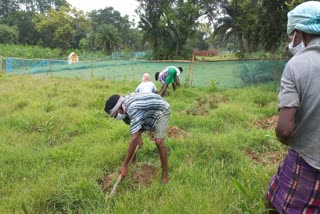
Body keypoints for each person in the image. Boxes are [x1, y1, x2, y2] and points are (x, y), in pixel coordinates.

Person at [265, 1, 320, 213]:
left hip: (310, 159)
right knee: (272, 194)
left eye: (290, 37)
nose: (290, 42)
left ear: (299, 33)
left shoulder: (297, 65)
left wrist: (283, 138)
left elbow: (285, 129)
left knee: (278, 205)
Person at [104, 93, 170, 183]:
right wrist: (138, 137)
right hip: (147, 112)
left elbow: (134, 138)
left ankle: (165, 174)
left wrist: (125, 165)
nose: (116, 118)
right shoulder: (125, 111)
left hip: (161, 110)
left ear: (120, 107)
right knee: (136, 140)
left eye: (115, 115)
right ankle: (133, 163)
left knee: (159, 142)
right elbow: (134, 131)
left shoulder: (133, 107)